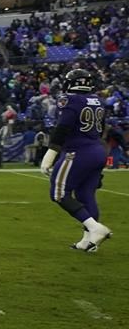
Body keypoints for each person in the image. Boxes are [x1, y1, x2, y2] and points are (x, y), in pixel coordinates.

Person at [40, 67, 113, 251]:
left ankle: (95, 228)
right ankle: (89, 242)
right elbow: (101, 128)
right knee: (85, 194)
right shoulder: (98, 101)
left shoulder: (70, 100)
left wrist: (50, 154)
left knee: (58, 193)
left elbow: (63, 127)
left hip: (77, 151)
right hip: (97, 149)